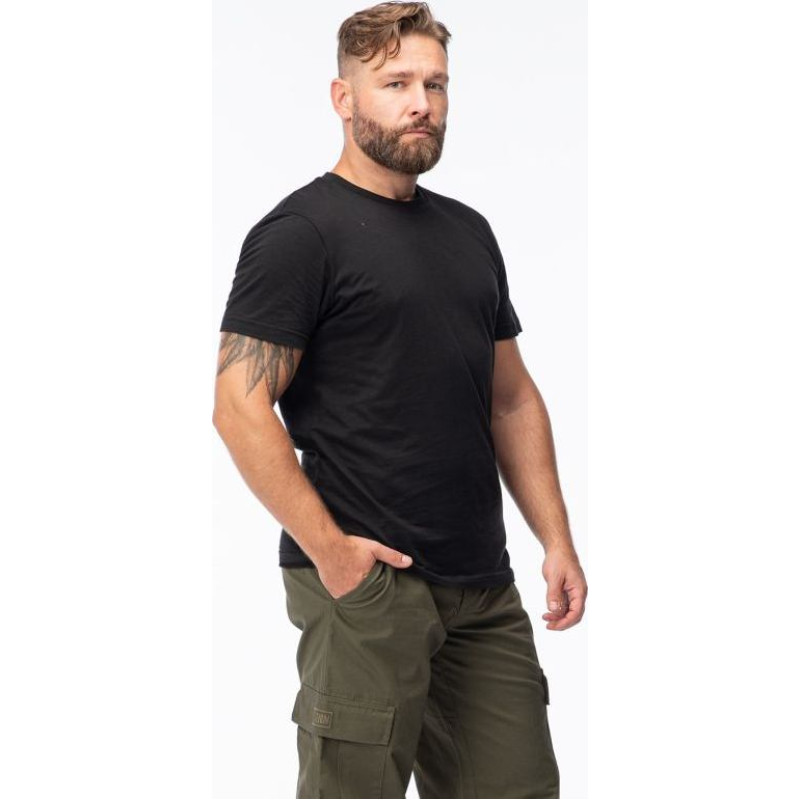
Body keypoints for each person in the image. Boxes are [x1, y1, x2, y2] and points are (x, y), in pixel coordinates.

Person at [213, 2, 587, 797]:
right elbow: (238, 406)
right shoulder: (301, 234)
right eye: (395, 84)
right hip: (368, 585)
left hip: (482, 587)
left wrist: (555, 539)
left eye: (435, 84)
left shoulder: (469, 233)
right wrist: (333, 554)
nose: (421, 103)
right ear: (343, 98)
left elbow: (512, 400)